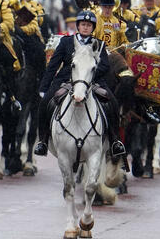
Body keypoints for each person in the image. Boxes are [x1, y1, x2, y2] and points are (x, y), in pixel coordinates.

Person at [33, 9, 126, 159]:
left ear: (93, 28)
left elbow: (105, 66)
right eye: (83, 24)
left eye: (89, 25)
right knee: (44, 102)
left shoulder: (99, 44)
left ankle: (115, 141)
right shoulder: (66, 42)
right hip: (65, 80)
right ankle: (43, 141)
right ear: (78, 26)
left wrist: (87, 74)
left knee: (113, 102)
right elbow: (53, 65)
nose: (85, 27)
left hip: (93, 81)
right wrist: (44, 87)